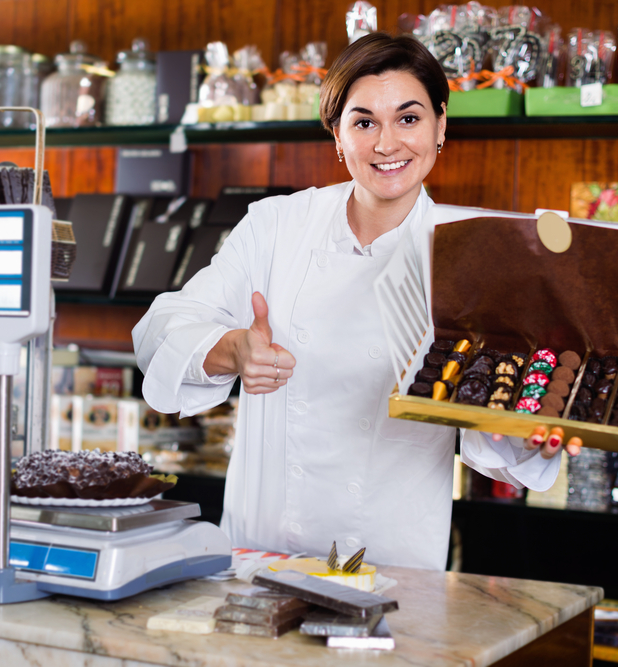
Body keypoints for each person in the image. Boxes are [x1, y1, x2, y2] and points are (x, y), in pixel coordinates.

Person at [132, 33, 581, 571]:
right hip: (263, 554)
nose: (387, 144)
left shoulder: (474, 256)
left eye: (409, 119)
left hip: (393, 563)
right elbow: (160, 328)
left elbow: (490, 434)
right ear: (338, 137)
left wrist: (536, 435)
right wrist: (232, 350)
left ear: (441, 126)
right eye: (364, 122)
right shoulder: (277, 226)